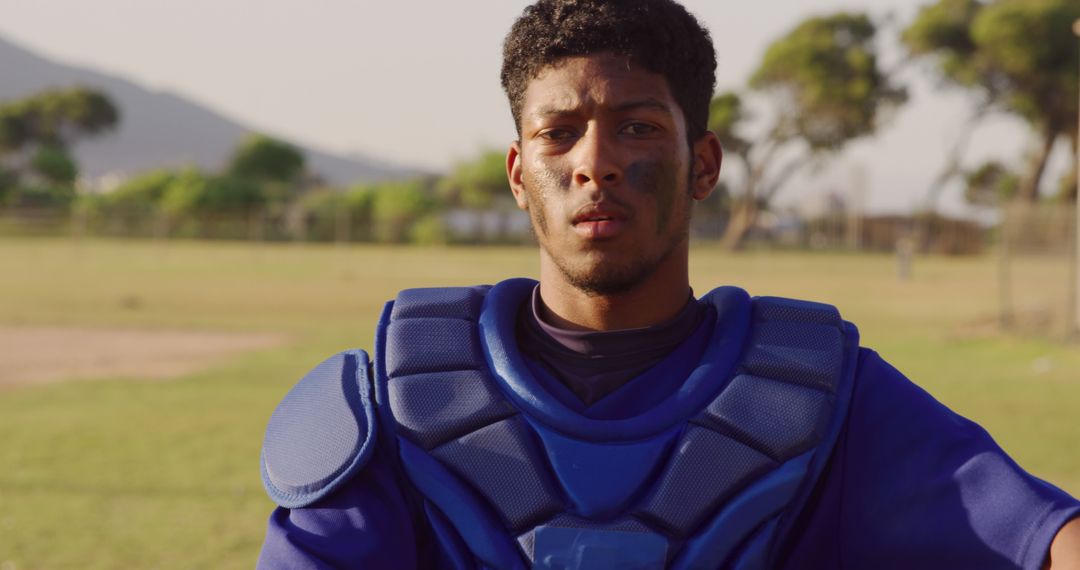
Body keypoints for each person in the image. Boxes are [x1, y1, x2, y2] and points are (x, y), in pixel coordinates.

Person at [256, 0, 1080, 568]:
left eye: (638, 127)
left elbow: (1042, 537)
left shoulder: (825, 395)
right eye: (559, 134)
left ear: (704, 166)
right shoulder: (403, 395)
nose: (595, 162)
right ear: (518, 172)